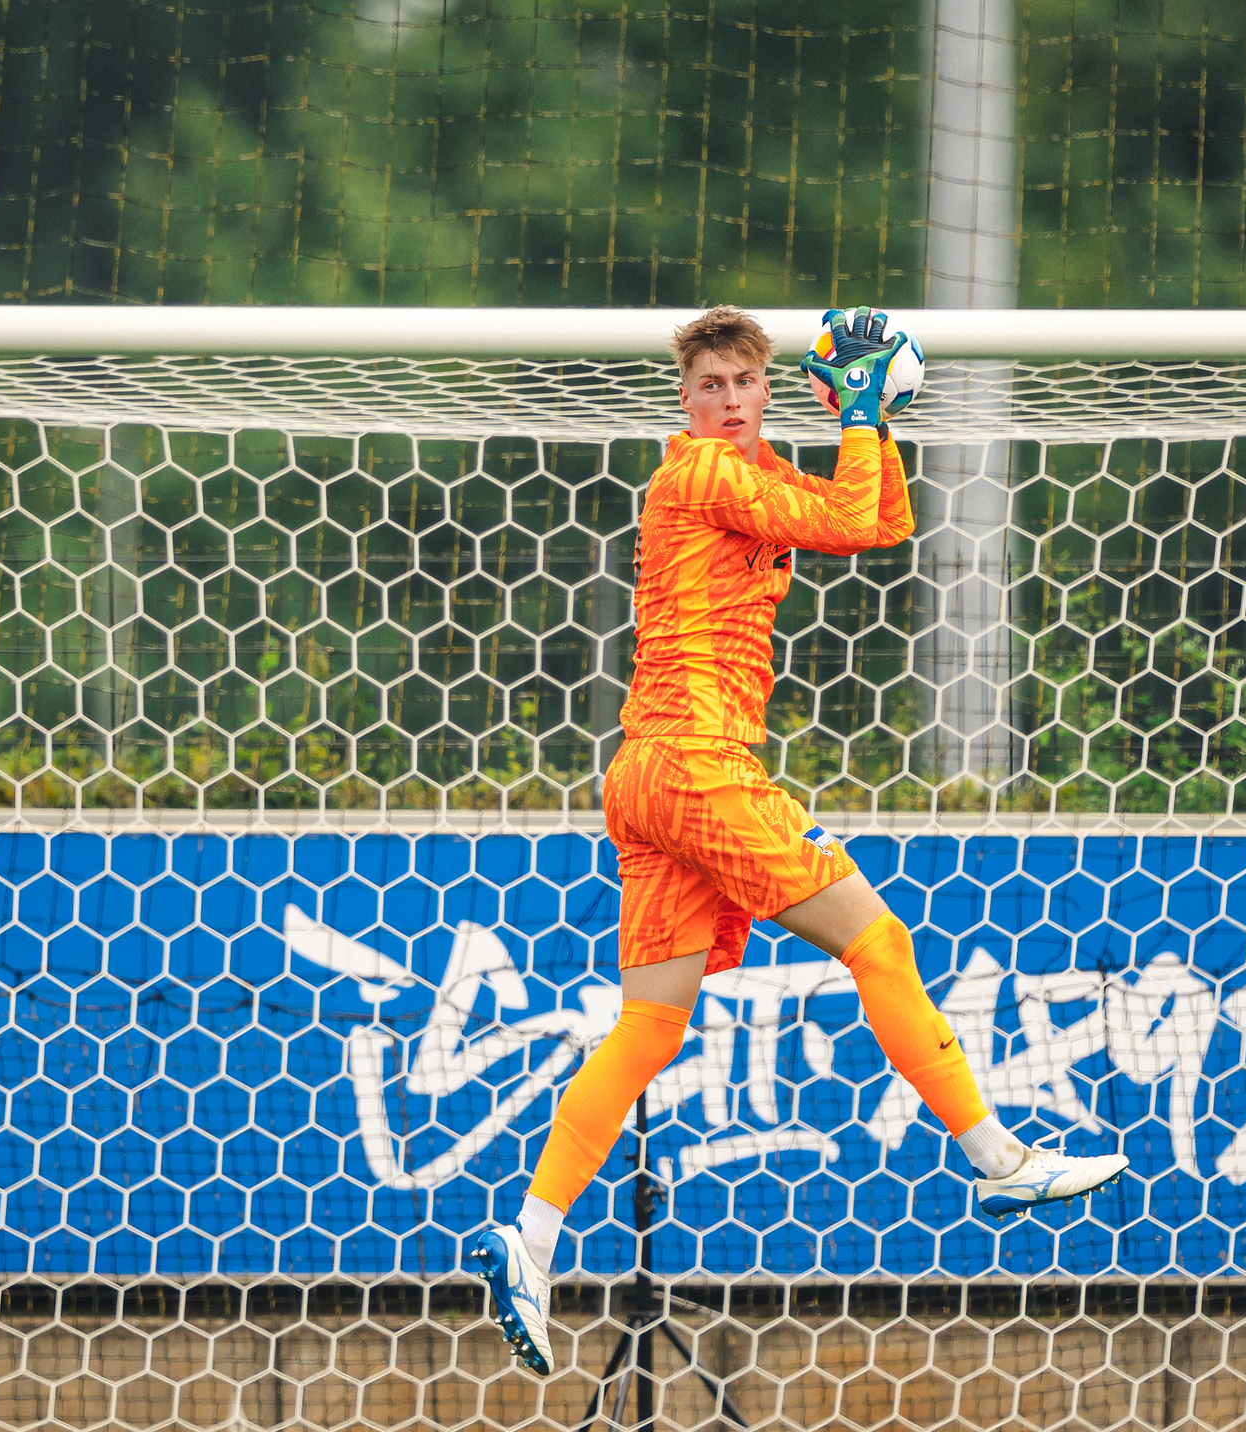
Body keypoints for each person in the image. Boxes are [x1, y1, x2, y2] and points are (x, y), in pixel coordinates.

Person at [464, 304, 1128, 1375]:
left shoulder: (755, 480)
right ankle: (994, 1155)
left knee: (647, 1029)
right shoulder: (698, 474)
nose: (726, 402)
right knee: (879, 944)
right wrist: (864, 413)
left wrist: (871, 422)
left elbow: (879, 515)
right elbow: (862, 524)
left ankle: (529, 1241)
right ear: (683, 399)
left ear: (768, 390)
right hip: (697, 763)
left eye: (742, 384)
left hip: (647, 773)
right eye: (709, 386)